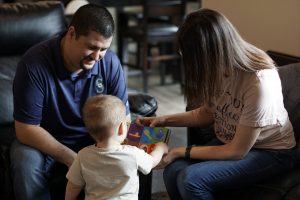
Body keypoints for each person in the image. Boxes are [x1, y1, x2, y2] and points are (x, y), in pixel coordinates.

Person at [136, 8, 297, 200]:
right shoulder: (218, 68)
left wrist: (181, 151)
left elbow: (237, 151)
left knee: (191, 179)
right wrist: (163, 120)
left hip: (270, 152)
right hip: (230, 141)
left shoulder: (259, 82)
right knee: (172, 171)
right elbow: (208, 113)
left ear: (209, 54)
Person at [11, 4, 131, 200]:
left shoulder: (108, 62)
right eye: (92, 47)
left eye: (103, 49)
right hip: (47, 143)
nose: (97, 56)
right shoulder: (34, 64)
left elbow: (123, 118)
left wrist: (115, 149)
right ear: (71, 33)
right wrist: (73, 160)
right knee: (24, 160)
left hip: (96, 140)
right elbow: (26, 129)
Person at [65, 95, 168, 200]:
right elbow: (151, 162)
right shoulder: (133, 154)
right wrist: (160, 148)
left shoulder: (82, 156)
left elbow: (73, 187)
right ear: (121, 128)